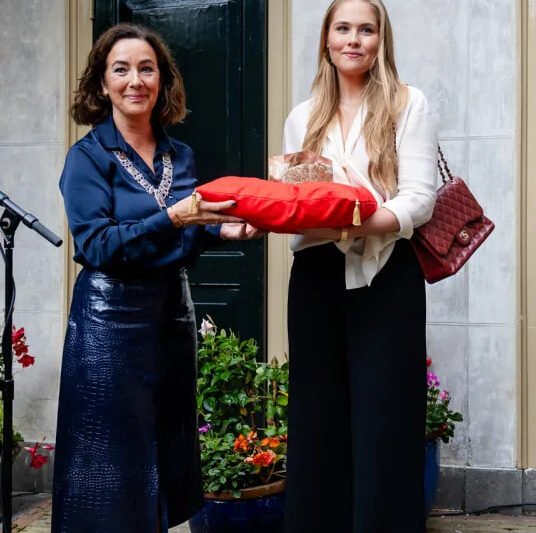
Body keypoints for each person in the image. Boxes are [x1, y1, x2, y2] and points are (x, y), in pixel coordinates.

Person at [52, 23, 255, 533]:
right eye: (121, 69)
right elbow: (98, 246)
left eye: (147, 69)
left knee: (164, 456)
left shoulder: (179, 155)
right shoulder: (87, 158)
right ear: (103, 84)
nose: (135, 80)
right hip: (109, 326)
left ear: (162, 80)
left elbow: (181, 239)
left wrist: (222, 230)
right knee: (112, 466)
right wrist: (175, 218)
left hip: (170, 320)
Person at [282, 1, 437, 531]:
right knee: (316, 419)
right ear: (327, 40)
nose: (354, 39)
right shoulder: (302, 117)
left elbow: (419, 199)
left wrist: (356, 221)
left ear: (380, 41)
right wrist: (256, 218)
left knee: (385, 420)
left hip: (388, 274)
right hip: (316, 276)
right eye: (343, 28)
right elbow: (295, 201)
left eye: (366, 30)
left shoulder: (408, 105)